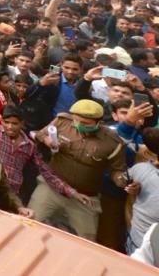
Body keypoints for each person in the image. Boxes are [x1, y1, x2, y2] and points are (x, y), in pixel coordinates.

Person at [30, 99, 129, 241]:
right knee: (30, 222)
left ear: (99, 123)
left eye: (85, 124)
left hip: (85, 198)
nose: (78, 125)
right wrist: (47, 140)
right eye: (76, 121)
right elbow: (40, 134)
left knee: (86, 240)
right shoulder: (62, 121)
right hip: (51, 187)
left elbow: (117, 170)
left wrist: (122, 181)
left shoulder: (112, 142)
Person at [0, 96, 87, 206]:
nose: (10, 127)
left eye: (15, 123)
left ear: (22, 124)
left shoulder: (30, 146)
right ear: (1, 121)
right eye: (7, 122)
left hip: (11, 194)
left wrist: (73, 193)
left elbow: (46, 172)